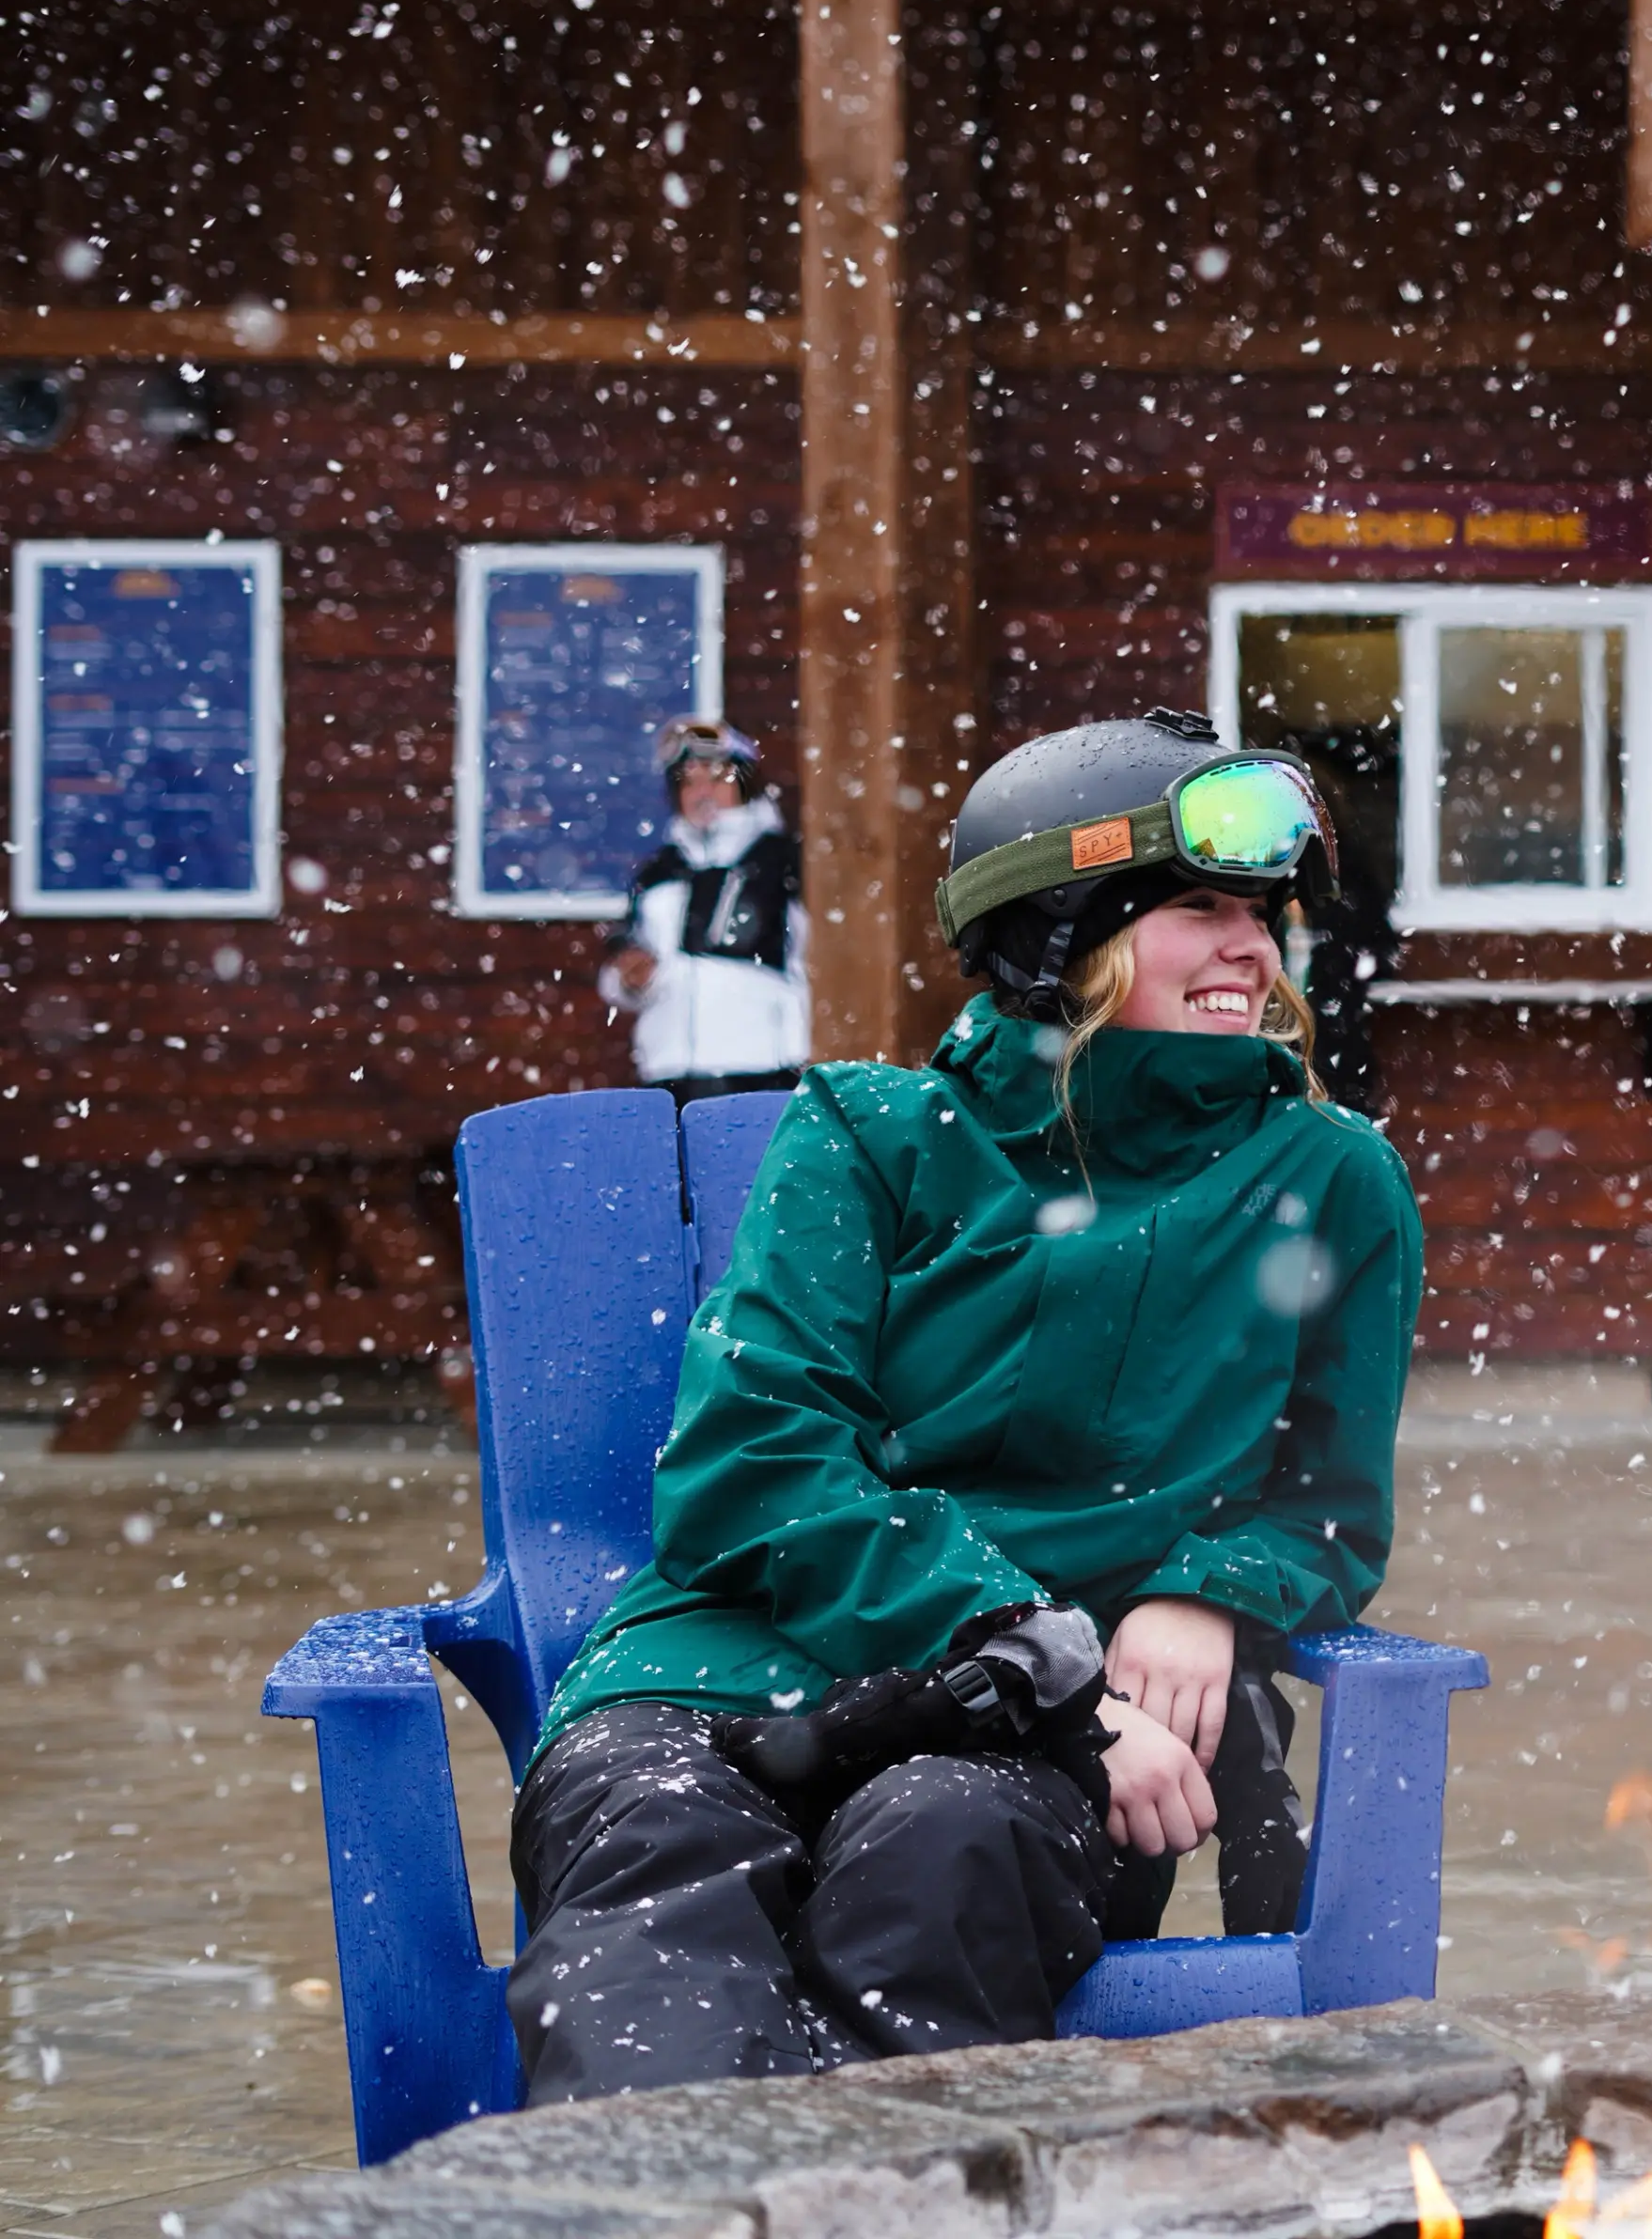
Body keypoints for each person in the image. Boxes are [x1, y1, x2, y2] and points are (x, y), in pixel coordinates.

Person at [505, 707, 1421, 2101]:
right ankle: (665, 2200)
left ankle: (871, 2203)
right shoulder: (870, 1136)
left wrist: (1214, 1586)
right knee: (654, 1871)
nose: (1254, 946)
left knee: (937, 1872)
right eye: (1198, 907)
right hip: (720, 1673)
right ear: (1061, 933)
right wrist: (1017, 1636)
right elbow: (756, 1459)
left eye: (1264, 914)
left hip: (1036, 1741)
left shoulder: (1331, 1178)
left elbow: (1330, 1503)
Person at [602, 716, 811, 1107]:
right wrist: (632, 977)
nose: (702, 793)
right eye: (688, 781)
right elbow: (626, 962)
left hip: (761, 1070)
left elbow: (820, 959)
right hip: (669, 1074)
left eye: (716, 778)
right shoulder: (660, 870)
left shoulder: (785, 862)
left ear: (744, 782)